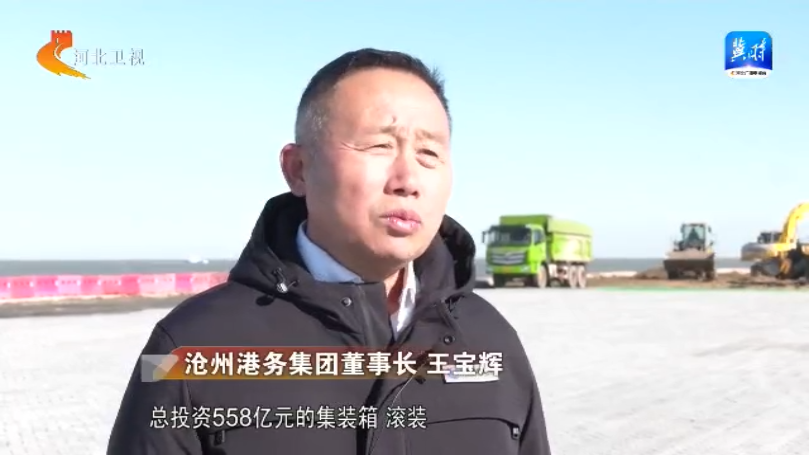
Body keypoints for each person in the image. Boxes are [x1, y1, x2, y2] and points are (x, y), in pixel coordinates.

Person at [107, 48, 552, 455]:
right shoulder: (187, 348)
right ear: (298, 169)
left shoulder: (490, 340)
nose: (408, 180)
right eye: (379, 145)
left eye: (429, 153)